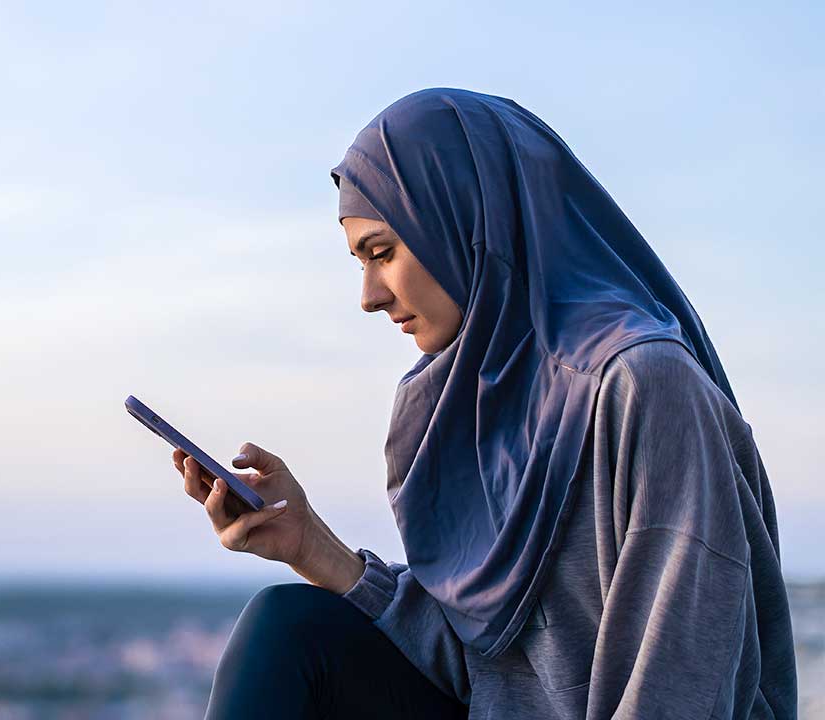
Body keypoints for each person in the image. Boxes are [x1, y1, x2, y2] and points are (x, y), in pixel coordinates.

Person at [173, 88, 798, 719]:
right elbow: (493, 670)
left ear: (468, 219)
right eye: (359, 262)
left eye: (383, 252)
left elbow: (683, 686)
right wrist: (308, 544)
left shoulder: (643, 384)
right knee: (287, 626)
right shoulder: (470, 407)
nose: (368, 296)